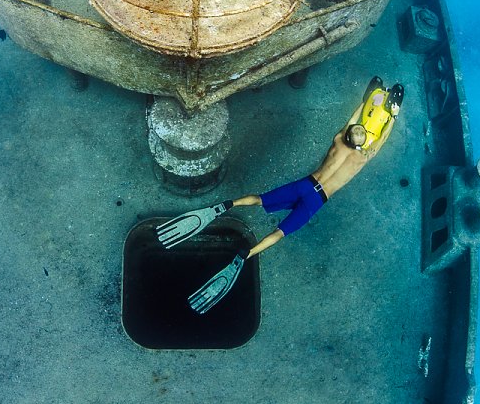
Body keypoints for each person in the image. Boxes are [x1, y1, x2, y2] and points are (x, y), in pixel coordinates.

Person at [157, 78, 403, 313]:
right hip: (315, 197)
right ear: (356, 136)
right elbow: (377, 138)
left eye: (358, 130)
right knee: (271, 217)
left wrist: (374, 105)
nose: (360, 130)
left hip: (308, 189)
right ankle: (237, 231)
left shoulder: (342, 142)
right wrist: (390, 114)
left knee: (268, 213)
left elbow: (362, 129)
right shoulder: (358, 154)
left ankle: (236, 230)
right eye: (360, 130)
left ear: (352, 135)